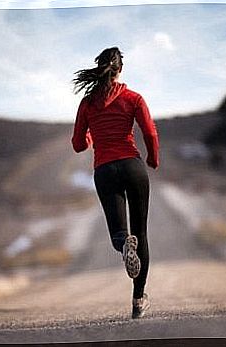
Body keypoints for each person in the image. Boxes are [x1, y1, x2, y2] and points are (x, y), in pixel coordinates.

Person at [71, 47, 159, 319]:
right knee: (141, 232)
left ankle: (123, 246)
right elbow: (150, 132)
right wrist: (152, 160)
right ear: (120, 69)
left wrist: (90, 140)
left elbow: (77, 144)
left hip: (105, 169)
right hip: (133, 166)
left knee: (119, 234)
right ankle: (138, 298)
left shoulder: (87, 103)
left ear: (99, 69)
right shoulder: (134, 98)